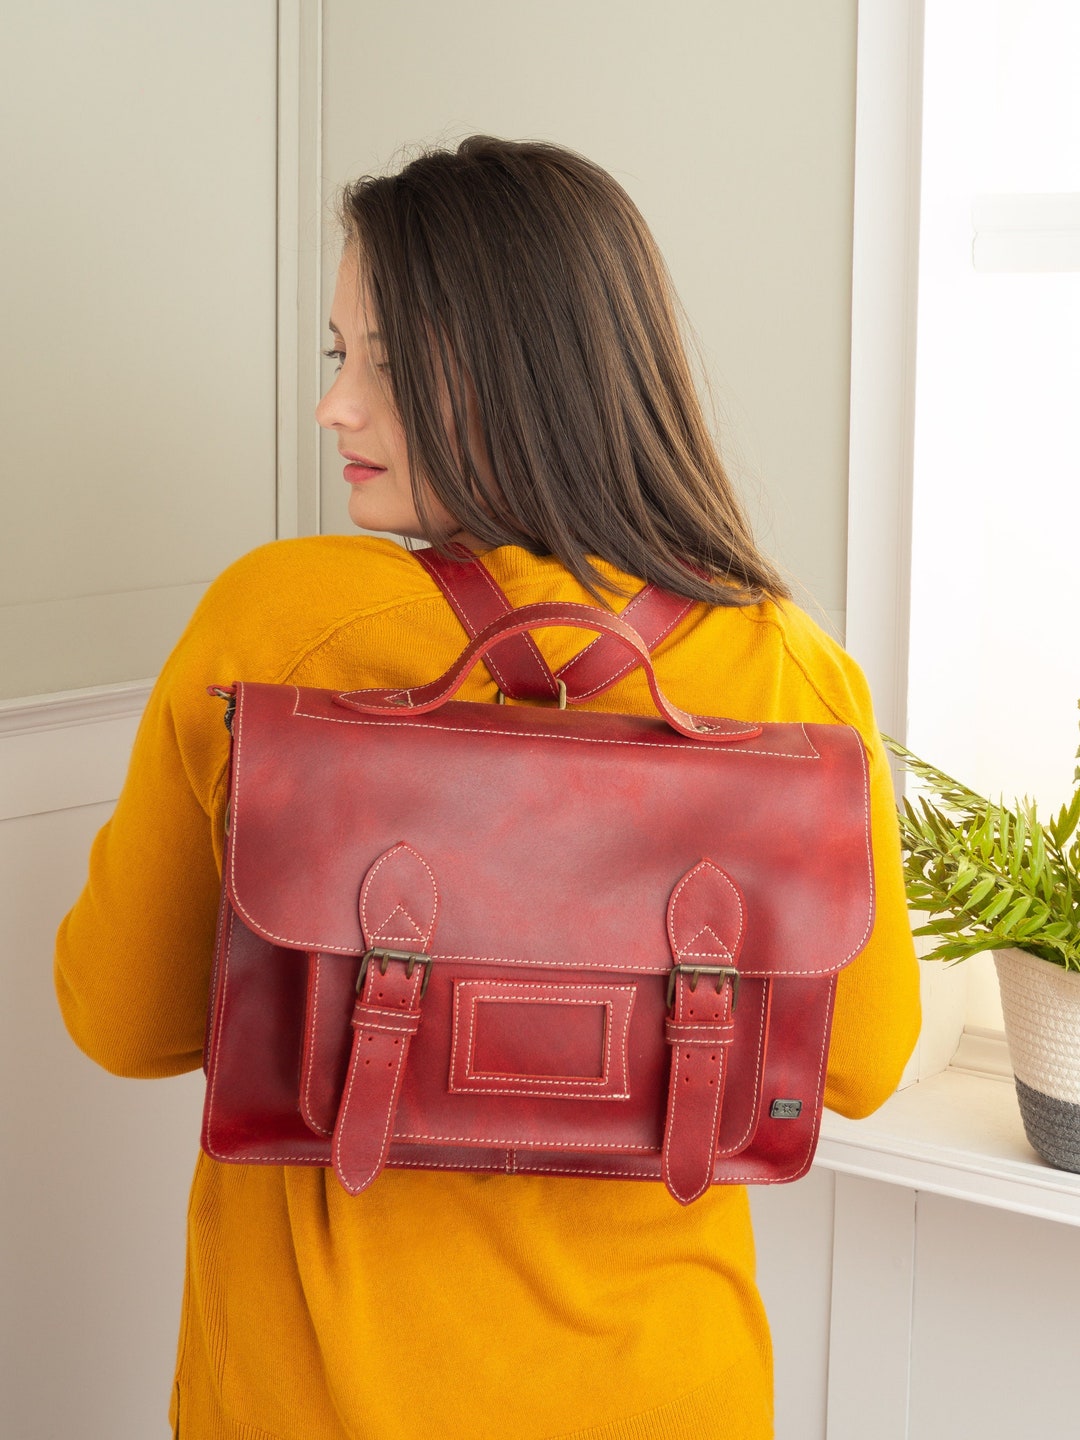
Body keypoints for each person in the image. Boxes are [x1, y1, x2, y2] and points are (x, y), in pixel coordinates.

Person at [55, 136, 920, 1440]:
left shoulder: (281, 623)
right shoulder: (793, 666)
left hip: (326, 1401)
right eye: (338, 355)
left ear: (530, 374)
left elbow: (122, 1018)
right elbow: (861, 1064)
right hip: (672, 1396)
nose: (335, 407)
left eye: (388, 364)